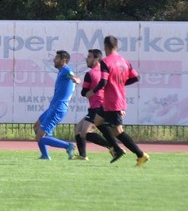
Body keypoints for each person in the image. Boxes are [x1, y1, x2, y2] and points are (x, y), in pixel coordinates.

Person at [91, 35, 149, 166]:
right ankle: (116, 149)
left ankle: (141, 155)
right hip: (112, 100)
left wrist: (93, 91)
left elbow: (103, 81)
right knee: (97, 121)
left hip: (112, 101)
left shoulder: (105, 62)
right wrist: (120, 83)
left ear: (105, 47)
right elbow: (136, 77)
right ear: (116, 46)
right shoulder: (124, 61)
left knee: (118, 132)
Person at [33, 50, 79, 160]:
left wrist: (75, 79)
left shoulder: (66, 70)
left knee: (39, 138)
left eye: (57, 58)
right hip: (53, 107)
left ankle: (68, 146)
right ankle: (45, 155)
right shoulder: (62, 71)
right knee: (36, 126)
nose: (54, 60)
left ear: (63, 61)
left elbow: (74, 77)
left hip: (58, 108)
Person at [74, 48, 116, 160]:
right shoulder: (105, 73)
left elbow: (83, 93)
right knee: (78, 129)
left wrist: (87, 91)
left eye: (89, 57)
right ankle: (82, 155)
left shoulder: (90, 74)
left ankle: (113, 147)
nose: (86, 59)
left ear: (96, 59)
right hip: (103, 106)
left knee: (84, 132)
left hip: (97, 107)